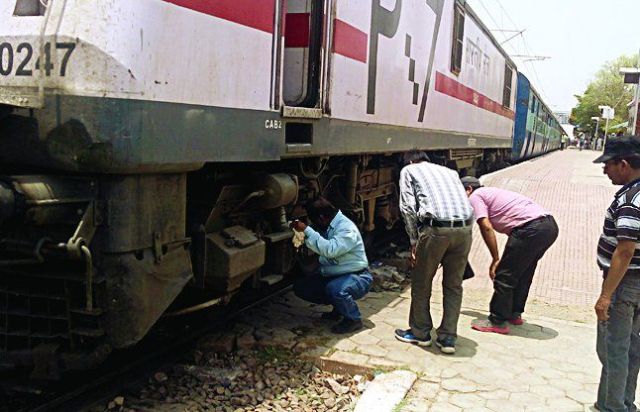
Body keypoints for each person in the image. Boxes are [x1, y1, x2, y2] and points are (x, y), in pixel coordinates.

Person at [394, 151, 473, 354]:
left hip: (436, 230)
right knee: (454, 285)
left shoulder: (409, 170)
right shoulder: (450, 172)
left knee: (422, 281)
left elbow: (407, 208)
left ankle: (420, 334)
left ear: (410, 161)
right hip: (464, 229)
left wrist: (414, 240)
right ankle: (448, 338)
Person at [461, 176, 558, 335]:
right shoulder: (491, 192)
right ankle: (514, 313)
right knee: (523, 272)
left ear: (469, 189)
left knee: (504, 276)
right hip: (549, 227)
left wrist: (495, 259)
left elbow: (486, 227)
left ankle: (497, 321)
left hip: (530, 228)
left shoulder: (476, 196)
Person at [592, 136, 640, 412]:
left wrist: (605, 296)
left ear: (623, 164)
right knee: (631, 348)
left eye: (607, 165)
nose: (604, 170)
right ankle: (621, 402)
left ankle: (613, 407)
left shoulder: (631, 200)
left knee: (613, 349)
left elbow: (624, 251)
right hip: (635, 282)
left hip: (624, 283)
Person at [291, 196, 372, 334]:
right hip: (335, 275)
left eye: (314, 221)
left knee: (336, 289)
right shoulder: (327, 224)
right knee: (302, 287)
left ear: (322, 218)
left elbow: (330, 249)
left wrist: (307, 230)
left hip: (358, 276)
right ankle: (339, 309)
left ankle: (353, 319)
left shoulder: (346, 229)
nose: (313, 225)